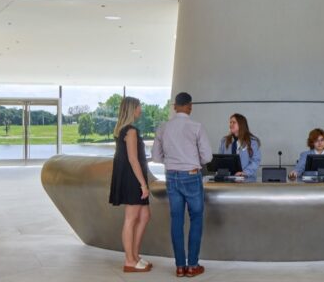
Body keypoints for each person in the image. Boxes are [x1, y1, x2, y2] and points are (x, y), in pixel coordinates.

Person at [151, 92, 212, 278]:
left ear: (175, 106)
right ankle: (192, 266)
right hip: (192, 176)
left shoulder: (164, 127)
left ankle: (179, 267)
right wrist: (192, 160)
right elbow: (207, 157)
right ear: (190, 106)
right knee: (196, 220)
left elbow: (155, 157)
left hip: (171, 177)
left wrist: (171, 162)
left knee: (176, 221)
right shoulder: (196, 127)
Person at [109, 96, 153, 273]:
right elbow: (133, 160)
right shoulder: (131, 131)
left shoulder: (123, 130)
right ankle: (129, 260)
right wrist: (143, 184)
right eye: (139, 106)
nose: (141, 109)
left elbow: (134, 158)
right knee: (131, 218)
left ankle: (135, 255)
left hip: (132, 177)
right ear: (132, 109)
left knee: (144, 216)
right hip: (133, 179)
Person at [217, 113, 261, 179]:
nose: (231, 125)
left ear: (241, 125)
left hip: (246, 180)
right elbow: (220, 160)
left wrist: (245, 172)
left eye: (234, 122)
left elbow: (256, 161)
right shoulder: (224, 141)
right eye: (230, 122)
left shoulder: (252, 141)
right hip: (228, 179)